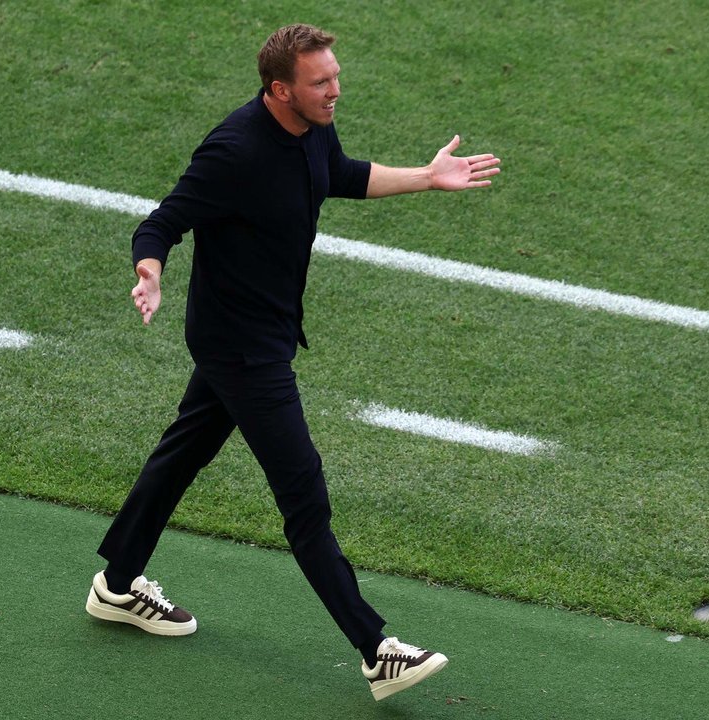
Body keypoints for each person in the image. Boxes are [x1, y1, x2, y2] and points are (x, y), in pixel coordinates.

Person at [85, 23, 500, 701]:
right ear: (281, 89)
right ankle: (377, 650)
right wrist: (150, 271)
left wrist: (427, 178)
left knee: (181, 455)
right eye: (320, 82)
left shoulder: (312, 131)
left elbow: (339, 175)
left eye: (335, 76)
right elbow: (163, 221)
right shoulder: (235, 150)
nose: (335, 90)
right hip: (240, 349)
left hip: (265, 335)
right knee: (304, 495)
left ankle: (118, 584)